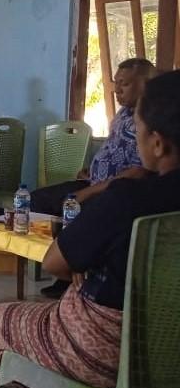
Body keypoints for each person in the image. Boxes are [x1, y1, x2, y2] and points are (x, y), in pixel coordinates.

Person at [0, 69, 180, 388]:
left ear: (158, 143)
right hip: (171, 353)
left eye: (139, 129)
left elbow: (54, 262)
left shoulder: (127, 199)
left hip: (104, 351)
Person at [33, 57, 154, 299]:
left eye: (125, 84)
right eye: (116, 83)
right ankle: (66, 270)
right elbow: (114, 148)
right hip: (94, 181)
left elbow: (137, 172)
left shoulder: (150, 119)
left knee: (75, 206)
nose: (117, 90)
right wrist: (93, 168)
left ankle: (76, 272)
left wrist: (88, 192)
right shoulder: (123, 114)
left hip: (116, 192)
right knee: (37, 200)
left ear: (145, 84)